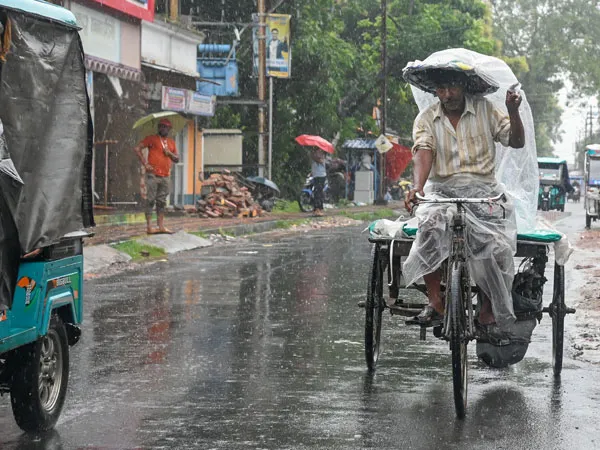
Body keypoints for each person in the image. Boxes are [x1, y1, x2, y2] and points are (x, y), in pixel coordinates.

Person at [404, 69, 525, 333]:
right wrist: (417, 188)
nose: (447, 95)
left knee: (497, 245)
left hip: (484, 191)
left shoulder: (486, 110)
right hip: (443, 191)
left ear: (464, 86)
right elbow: (423, 150)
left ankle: (486, 306)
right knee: (429, 226)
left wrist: (512, 111)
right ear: (435, 91)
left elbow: (516, 141)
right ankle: (436, 301)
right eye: (441, 89)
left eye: (452, 87)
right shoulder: (426, 118)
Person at [134, 119, 180, 234]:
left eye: (165, 127)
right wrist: (145, 164)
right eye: (161, 126)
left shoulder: (171, 142)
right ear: (158, 128)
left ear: (169, 129)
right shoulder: (152, 139)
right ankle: (149, 227)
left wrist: (169, 153)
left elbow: (177, 159)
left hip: (165, 176)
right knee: (150, 200)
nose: (163, 128)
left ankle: (161, 226)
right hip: (153, 175)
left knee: (161, 201)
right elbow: (137, 148)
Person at [311, 148, 327, 217]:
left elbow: (319, 160)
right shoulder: (313, 156)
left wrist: (314, 156)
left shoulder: (322, 156)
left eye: (319, 151)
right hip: (315, 175)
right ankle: (316, 209)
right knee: (316, 192)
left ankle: (319, 209)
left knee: (318, 192)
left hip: (321, 176)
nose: (318, 152)